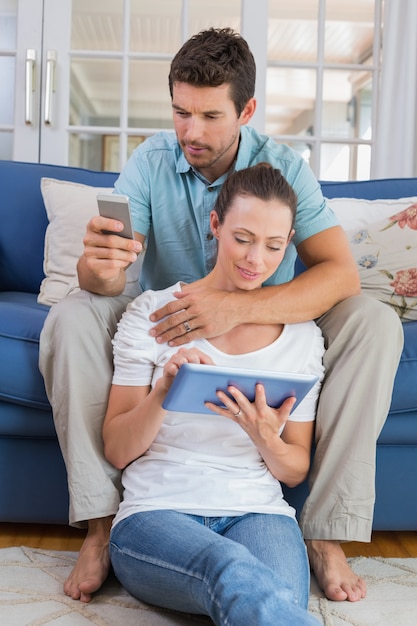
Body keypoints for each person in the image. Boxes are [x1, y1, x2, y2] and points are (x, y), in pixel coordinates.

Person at [39, 27, 403, 604]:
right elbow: (109, 281)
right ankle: (102, 525)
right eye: (181, 112)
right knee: (72, 315)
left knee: (375, 321)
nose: (191, 131)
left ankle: (325, 532)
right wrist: (98, 268)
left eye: (210, 116)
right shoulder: (151, 161)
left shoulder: (282, 167)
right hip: (166, 321)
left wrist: (234, 305)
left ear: (247, 110)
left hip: (269, 315)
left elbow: (340, 275)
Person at [103, 163, 323, 625]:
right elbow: (118, 449)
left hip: (258, 512)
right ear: (216, 225)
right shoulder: (154, 313)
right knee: (230, 570)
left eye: (273, 246)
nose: (256, 260)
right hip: (157, 513)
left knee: (275, 597)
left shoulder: (301, 337)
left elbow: (295, 469)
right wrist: (164, 389)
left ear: (289, 243)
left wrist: (267, 440)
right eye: (242, 238)